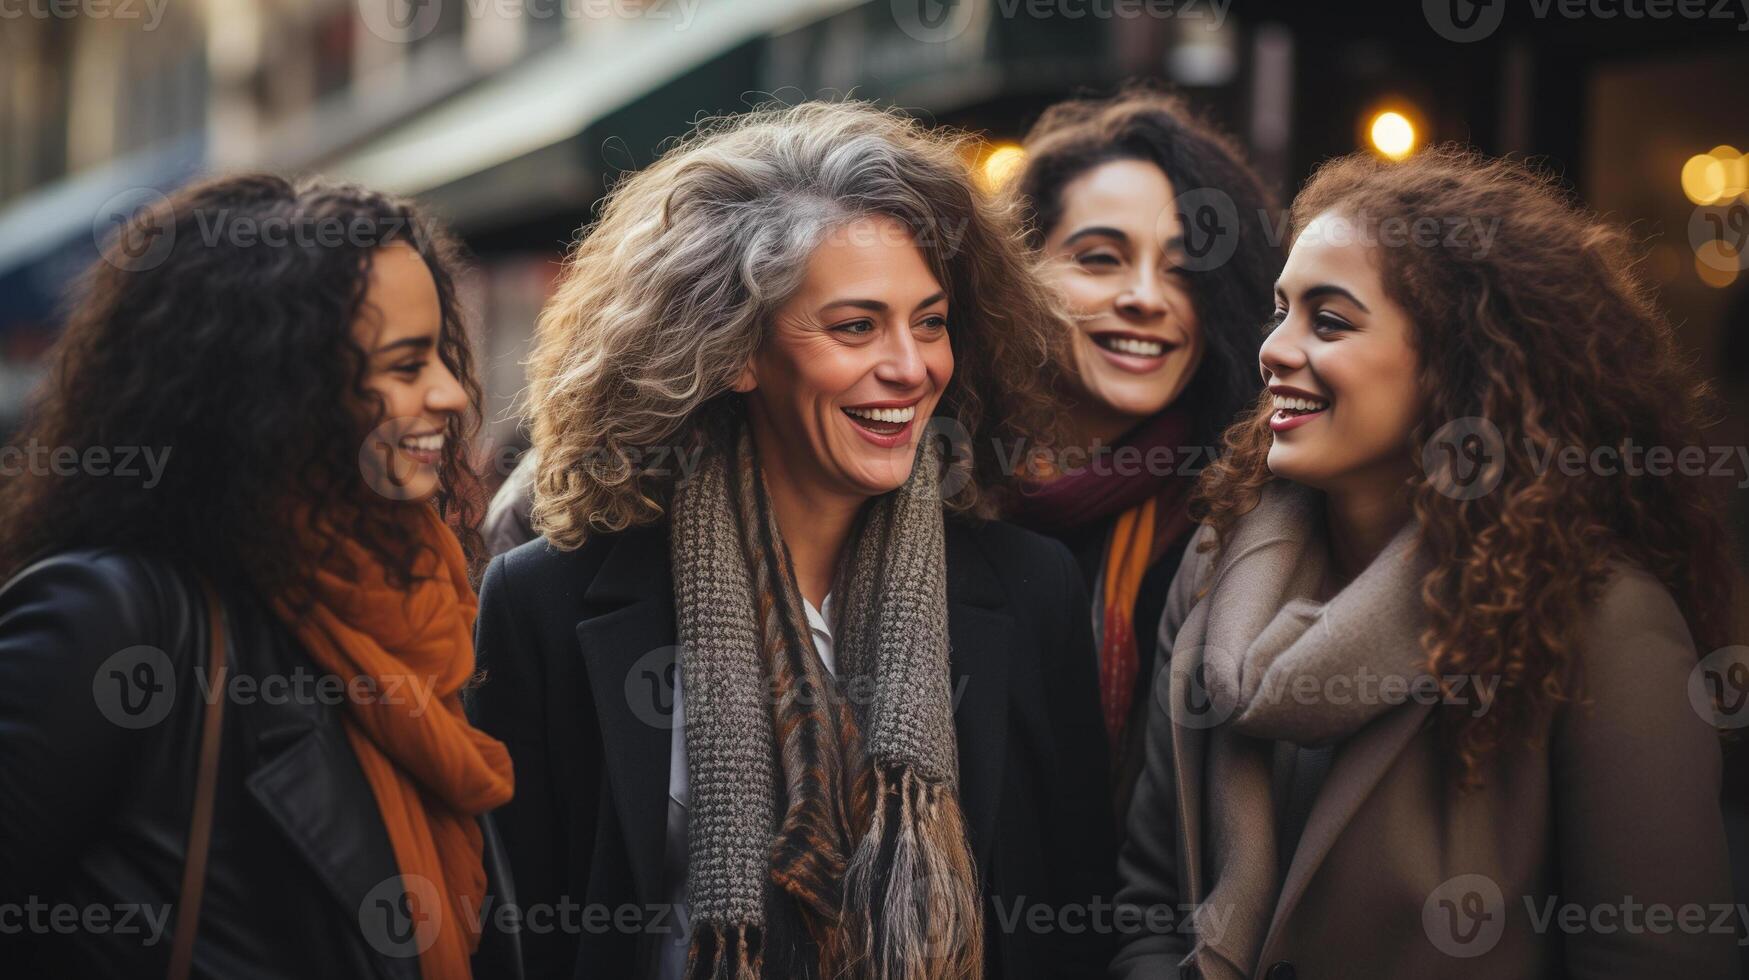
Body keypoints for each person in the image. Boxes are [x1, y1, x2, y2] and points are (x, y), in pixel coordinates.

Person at [468, 101, 1117, 979]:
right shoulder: (542, 601)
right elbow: (519, 935)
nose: (910, 366)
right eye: (855, 327)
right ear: (734, 351)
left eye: (929, 322)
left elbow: (1071, 925)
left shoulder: (1031, 588)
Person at [1111, 146, 1743, 979]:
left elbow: (1653, 958)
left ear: (1459, 369)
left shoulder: (1595, 620)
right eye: (1280, 310)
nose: (1272, 349)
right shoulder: (1212, 570)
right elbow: (1150, 912)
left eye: (1328, 320)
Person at [0, 175, 519, 979]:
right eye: (407, 364)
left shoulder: (413, 618)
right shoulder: (113, 618)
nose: (451, 393)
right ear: (279, 391)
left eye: (443, 356)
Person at [1003, 89, 1280, 821]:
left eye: (1184, 271)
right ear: (1018, 273)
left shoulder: (1239, 526)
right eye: (1099, 258)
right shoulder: (923, 482)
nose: (1145, 297)